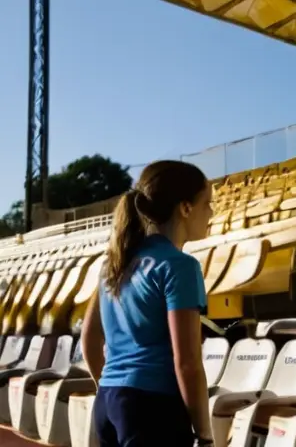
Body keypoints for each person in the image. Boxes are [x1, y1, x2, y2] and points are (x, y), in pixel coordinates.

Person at [81, 160, 215, 446]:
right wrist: (205, 436)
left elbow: (89, 340)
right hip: (153, 409)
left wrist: (111, 390)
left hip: (108, 403)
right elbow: (188, 362)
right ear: (185, 207)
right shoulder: (180, 266)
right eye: (207, 204)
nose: (212, 213)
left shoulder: (114, 264)